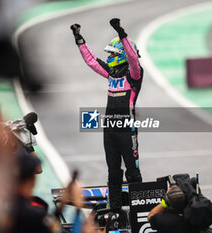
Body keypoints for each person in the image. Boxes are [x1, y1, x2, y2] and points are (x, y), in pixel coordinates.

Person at [70, 18, 143, 213]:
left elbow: (133, 58)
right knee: (113, 173)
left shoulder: (134, 75)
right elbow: (92, 61)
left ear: (121, 55)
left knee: (133, 173)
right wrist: (79, 39)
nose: (109, 56)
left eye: (112, 53)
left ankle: (139, 212)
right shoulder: (111, 73)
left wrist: (121, 33)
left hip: (127, 131)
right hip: (109, 130)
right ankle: (116, 212)